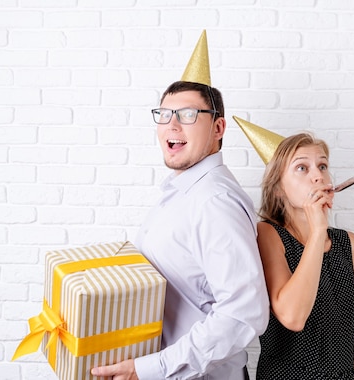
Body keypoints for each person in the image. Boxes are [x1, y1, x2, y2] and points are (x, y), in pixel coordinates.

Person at [91, 31, 270, 380]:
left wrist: (151, 369)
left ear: (218, 127)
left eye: (188, 114)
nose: (171, 124)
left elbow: (243, 313)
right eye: (164, 113)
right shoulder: (182, 192)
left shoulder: (214, 201)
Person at [247, 130, 354, 379]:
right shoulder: (268, 234)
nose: (317, 176)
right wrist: (318, 231)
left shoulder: (350, 245)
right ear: (278, 189)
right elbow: (293, 317)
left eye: (322, 166)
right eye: (302, 168)